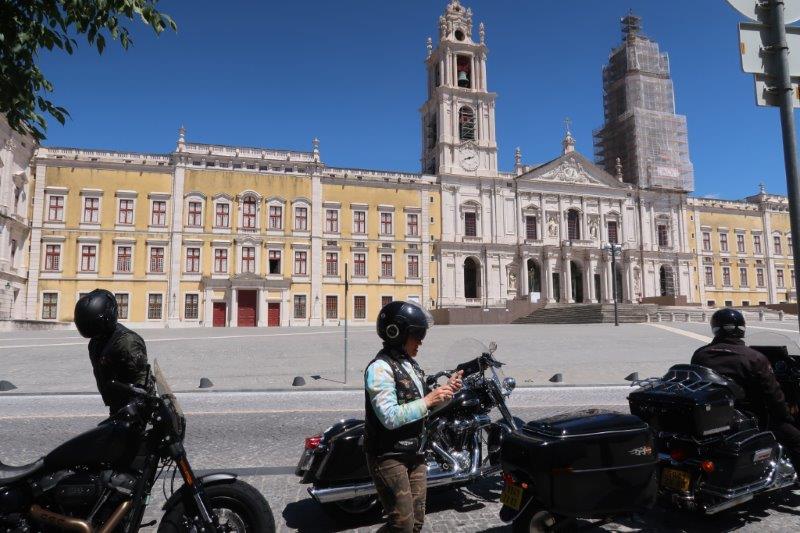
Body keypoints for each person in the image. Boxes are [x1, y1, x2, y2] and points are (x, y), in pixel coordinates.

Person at [364, 301, 463, 533]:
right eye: (417, 335)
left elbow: (424, 407)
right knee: (402, 525)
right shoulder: (380, 368)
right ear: (396, 333)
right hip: (388, 455)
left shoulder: (411, 365)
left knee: (416, 522)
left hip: (415, 452)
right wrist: (428, 400)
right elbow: (389, 416)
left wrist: (445, 392)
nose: (421, 341)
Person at [692, 307, 800, 468]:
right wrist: (787, 416)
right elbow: (773, 394)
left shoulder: (700, 355)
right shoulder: (754, 358)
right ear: (742, 329)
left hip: (714, 416)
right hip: (750, 417)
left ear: (715, 329)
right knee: (796, 439)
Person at [74, 289, 150, 414]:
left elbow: (141, 380)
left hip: (134, 408)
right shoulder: (95, 342)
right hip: (117, 406)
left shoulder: (127, 341)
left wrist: (137, 404)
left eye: (94, 323)